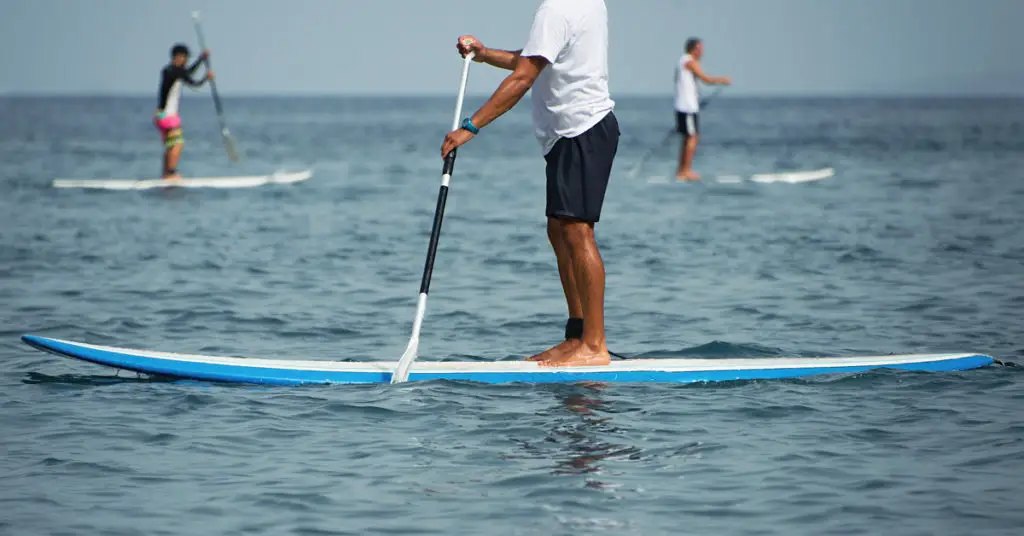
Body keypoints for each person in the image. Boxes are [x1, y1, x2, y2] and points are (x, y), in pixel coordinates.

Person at [440, 0, 619, 368]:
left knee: (578, 232)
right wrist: (486, 54)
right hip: (567, 136)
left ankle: (595, 345)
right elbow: (536, 58)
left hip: (581, 130)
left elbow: (523, 78)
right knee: (559, 229)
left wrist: (470, 127)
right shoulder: (583, 4)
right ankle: (577, 335)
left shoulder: (555, 10)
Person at [674, 37, 730, 181]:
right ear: (694, 49)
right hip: (687, 108)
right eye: (700, 49)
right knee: (692, 138)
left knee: (687, 138)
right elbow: (706, 79)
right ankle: (685, 171)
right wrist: (722, 80)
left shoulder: (681, 62)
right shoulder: (689, 62)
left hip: (684, 106)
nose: (702, 52)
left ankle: (681, 170)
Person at [155, 43, 213, 179]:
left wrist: (201, 59)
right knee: (177, 143)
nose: (186, 61)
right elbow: (193, 82)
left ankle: (165, 174)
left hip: (161, 114)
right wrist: (207, 78)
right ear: (179, 57)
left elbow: (187, 73)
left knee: (170, 145)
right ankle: (171, 173)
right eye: (185, 58)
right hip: (168, 116)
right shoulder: (175, 71)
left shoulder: (169, 70)